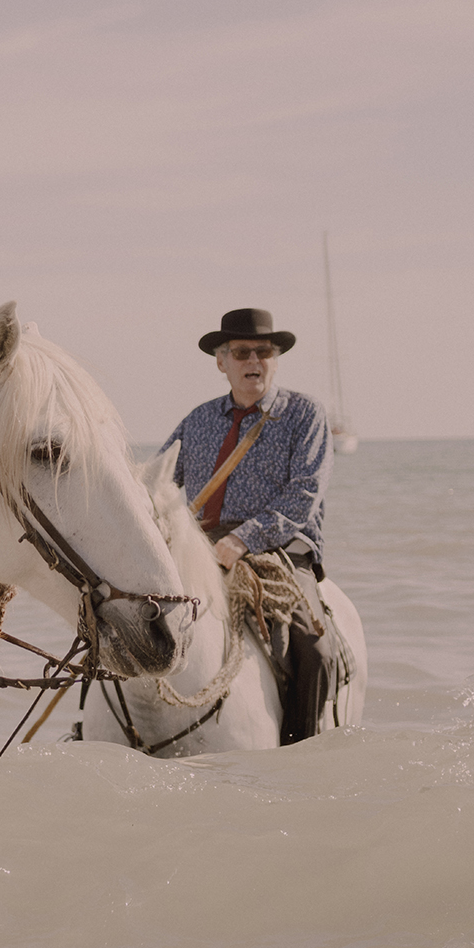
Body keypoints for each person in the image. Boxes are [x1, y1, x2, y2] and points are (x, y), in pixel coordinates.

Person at [165, 307, 336, 742]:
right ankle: (101, 726)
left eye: (264, 351)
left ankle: (303, 749)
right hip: (201, 545)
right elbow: (160, 483)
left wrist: (243, 538)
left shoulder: (305, 415)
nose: (254, 361)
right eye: (242, 352)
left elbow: (304, 494)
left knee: (315, 649)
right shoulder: (197, 421)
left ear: (275, 359)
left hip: (280, 547)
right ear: (221, 362)